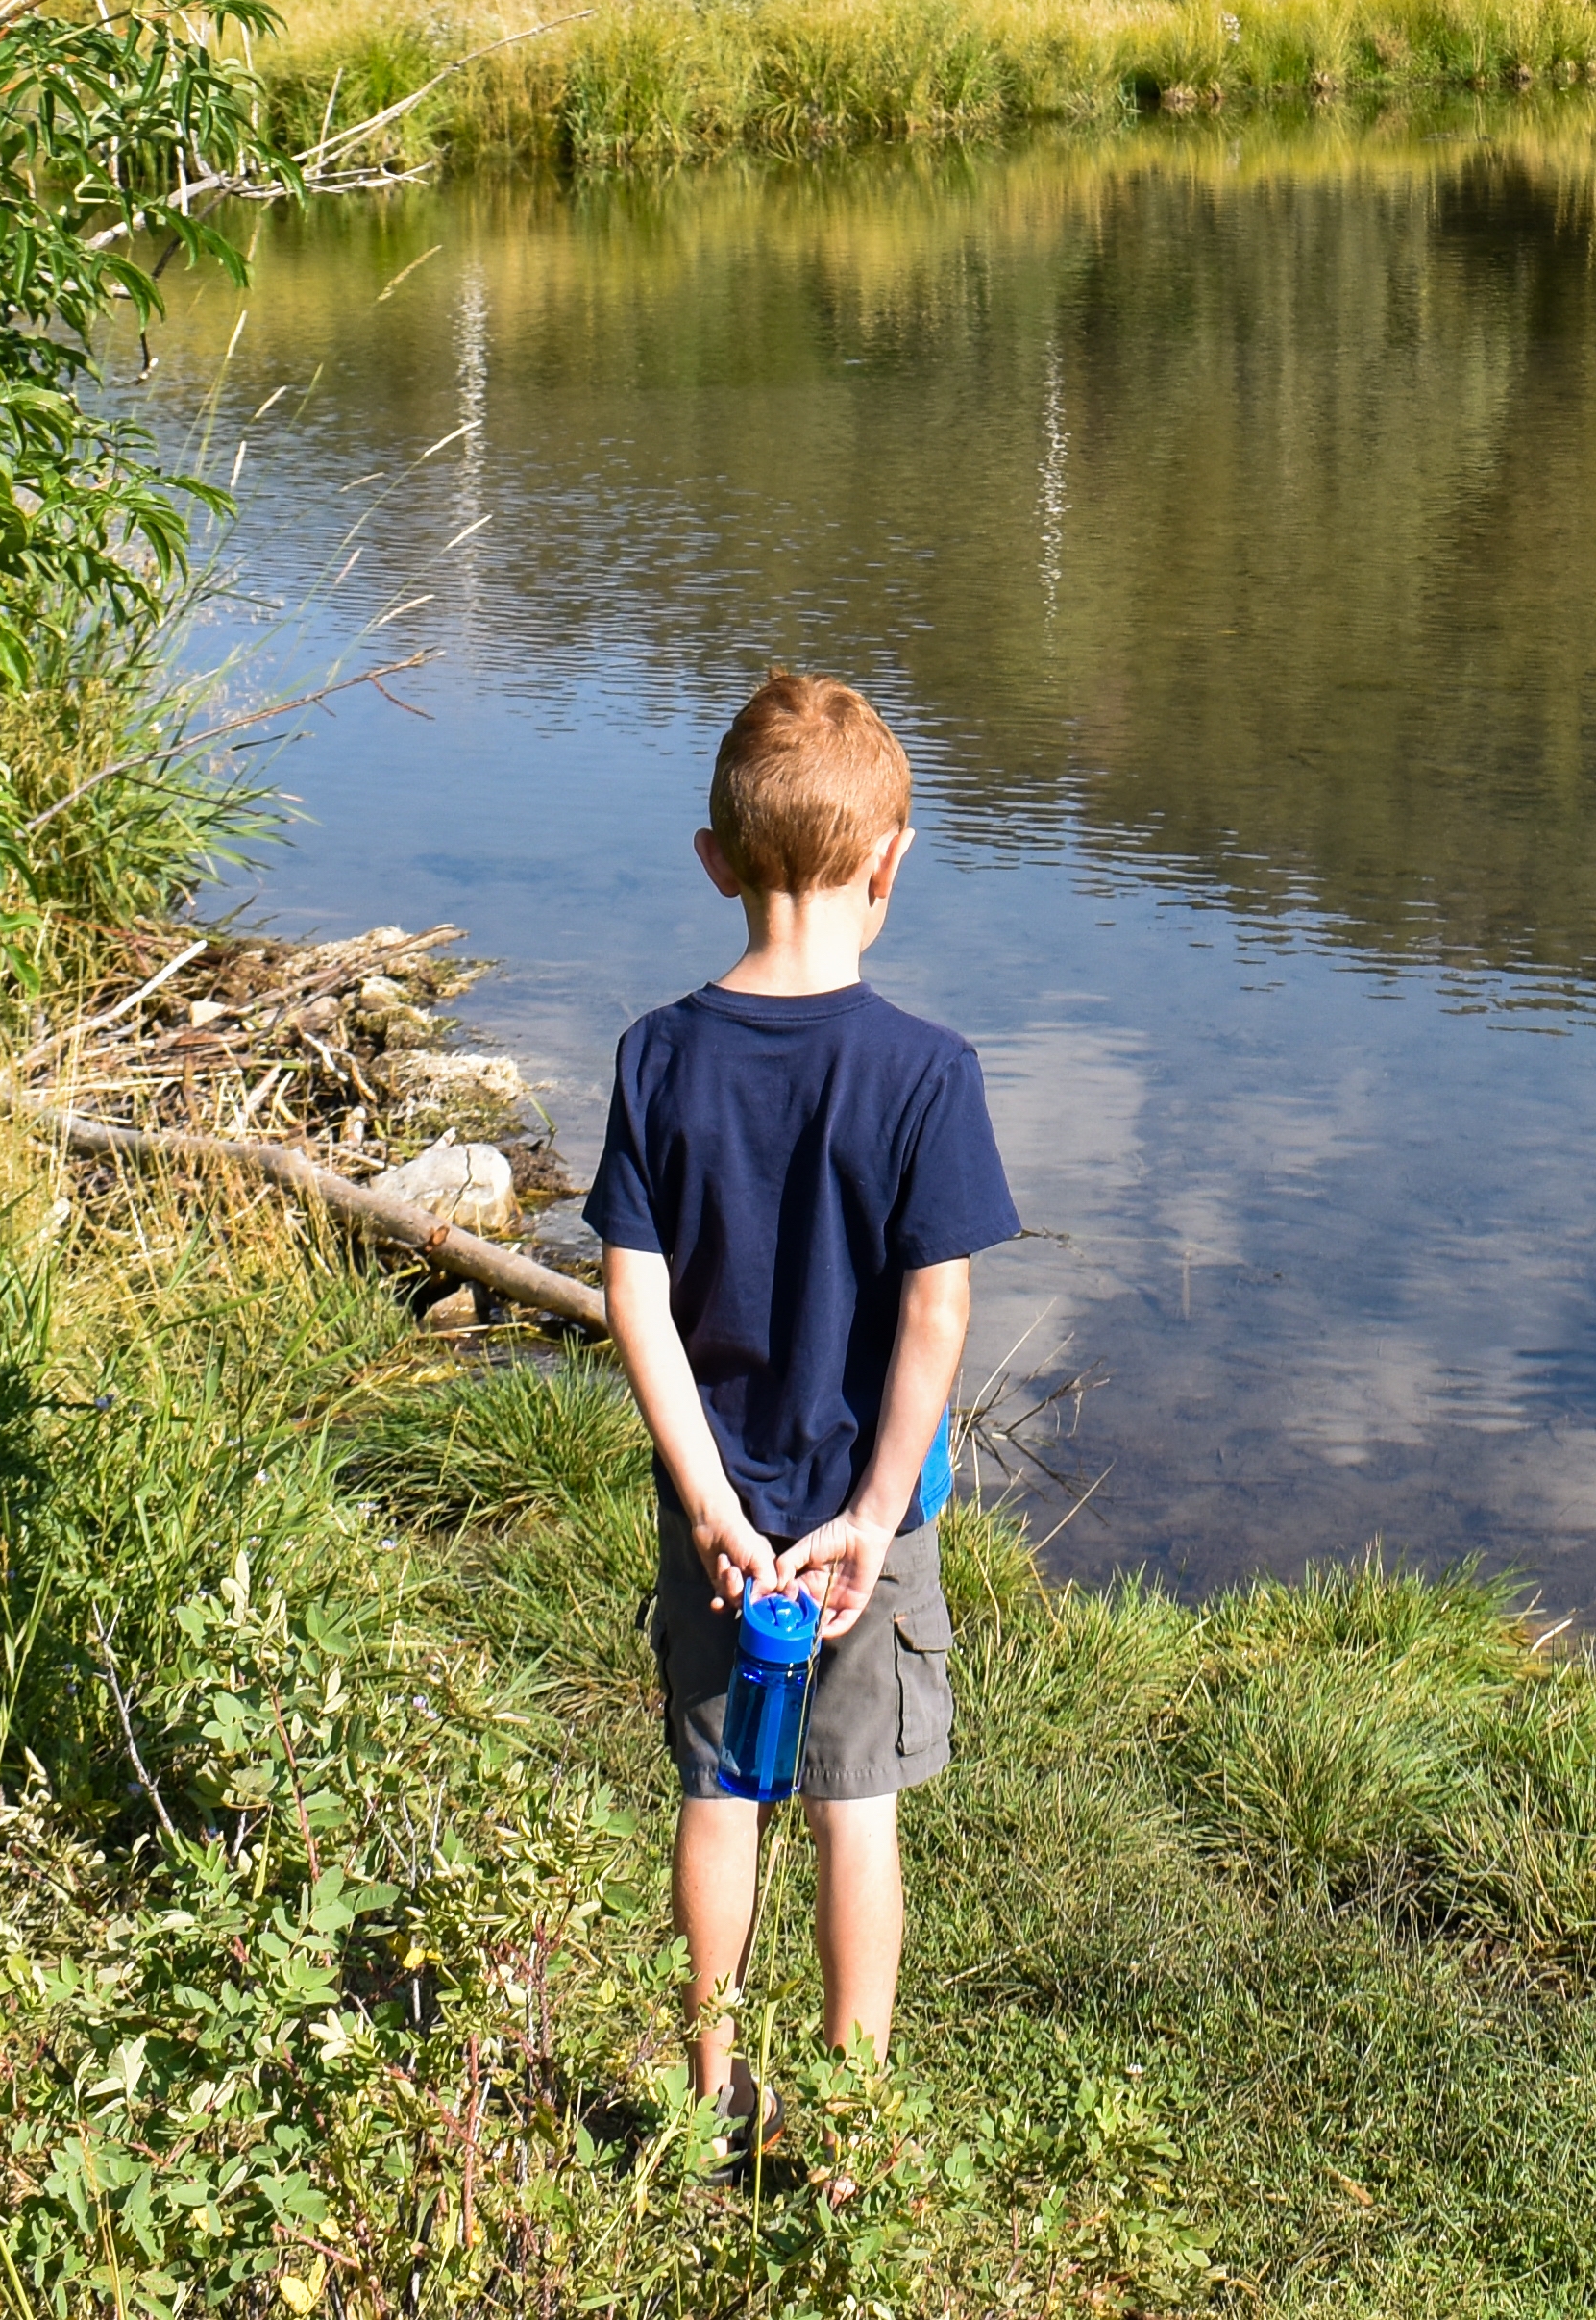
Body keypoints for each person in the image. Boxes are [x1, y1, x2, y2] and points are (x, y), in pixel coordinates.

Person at [588, 669, 1018, 2162]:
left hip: (718, 1519)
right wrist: (875, 1514)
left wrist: (709, 1500)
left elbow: (631, 1297)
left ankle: (705, 2092)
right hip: (857, 1524)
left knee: (720, 1788)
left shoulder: (656, 1055)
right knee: (856, 1808)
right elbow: (938, 1314)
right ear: (893, 860)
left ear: (714, 862)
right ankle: (847, 2112)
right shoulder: (926, 1074)